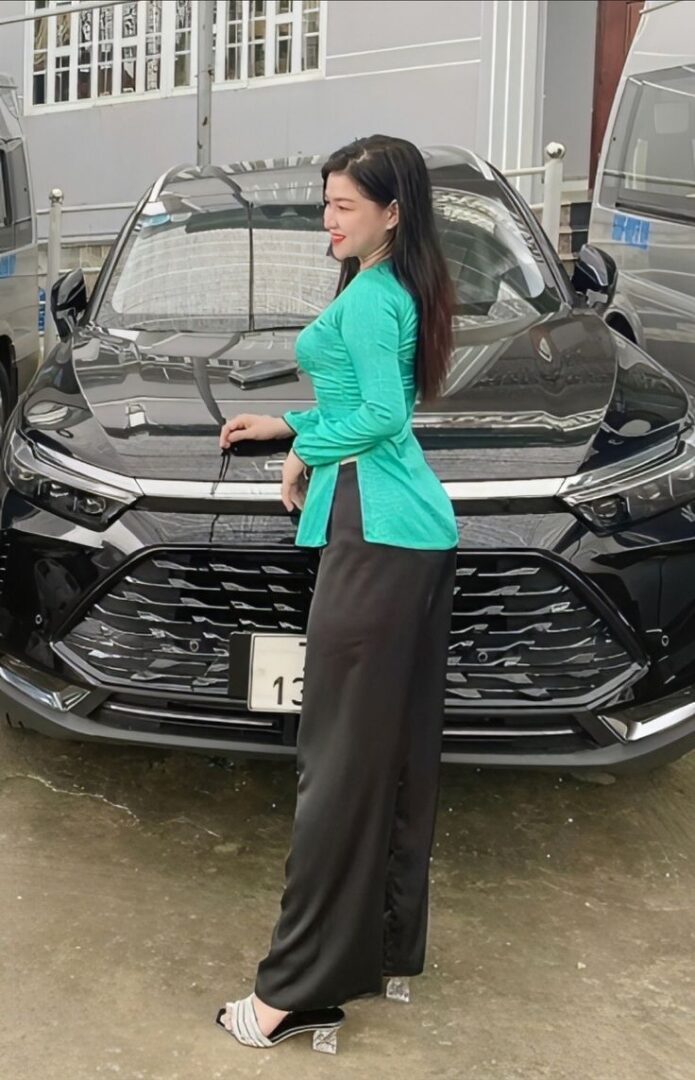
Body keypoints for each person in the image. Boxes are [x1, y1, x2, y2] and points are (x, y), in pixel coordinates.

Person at [214, 133, 459, 1054]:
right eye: (325, 203)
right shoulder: (387, 288)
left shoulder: (371, 295)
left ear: (391, 212)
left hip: (380, 536)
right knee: (391, 757)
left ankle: (293, 991)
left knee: (339, 765)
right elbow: (367, 398)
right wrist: (292, 425)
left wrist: (305, 454)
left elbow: (383, 416)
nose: (328, 218)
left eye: (344, 205)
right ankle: (384, 948)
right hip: (409, 533)